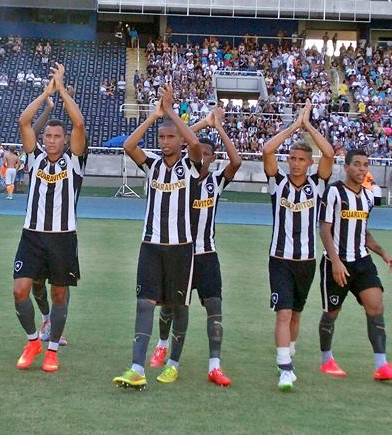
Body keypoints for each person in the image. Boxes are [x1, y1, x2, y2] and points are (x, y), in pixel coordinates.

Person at [112, 85, 203, 390]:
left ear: (178, 138)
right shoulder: (151, 165)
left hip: (181, 248)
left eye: (170, 137)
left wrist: (172, 112)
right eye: (162, 138)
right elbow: (129, 144)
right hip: (150, 245)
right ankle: (137, 367)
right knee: (144, 304)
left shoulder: (190, 167)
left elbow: (195, 143)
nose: (165, 142)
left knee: (178, 307)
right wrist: (154, 116)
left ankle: (173, 364)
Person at [150, 107, 242, 387]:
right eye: (198, 151)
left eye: (207, 154)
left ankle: (215, 365)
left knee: (214, 307)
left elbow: (236, 161)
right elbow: (184, 141)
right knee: (172, 309)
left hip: (207, 255)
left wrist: (219, 128)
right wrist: (200, 127)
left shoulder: (215, 182)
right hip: (180, 254)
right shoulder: (180, 177)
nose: (202, 156)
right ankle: (164, 345)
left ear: (212, 159)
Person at [12, 63, 86, 373]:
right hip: (32, 235)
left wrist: (64, 89)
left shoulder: (74, 162)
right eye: (49, 136)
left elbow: (79, 124)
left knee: (58, 293)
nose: (52, 140)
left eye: (58, 136)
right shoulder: (35, 158)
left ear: (65, 140)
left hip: (63, 237)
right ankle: (33, 341)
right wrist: (46, 93)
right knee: (20, 290)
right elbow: (24, 121)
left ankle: (52, 349)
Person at [261, 103, 335, 391]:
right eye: (291, 158)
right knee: (283, 312)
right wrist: (293, 126)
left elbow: (329, 154)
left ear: (309, 163)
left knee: (297, 314)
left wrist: (309, 126)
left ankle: (288, 351)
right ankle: (284, 368)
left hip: (306, 261)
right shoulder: (278, 183)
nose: (294, 163)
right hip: (279, 259)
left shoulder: (317, 185)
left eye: (301, 159)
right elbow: (268, 150)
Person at [318, 149, 392, 382]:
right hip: (337, 262)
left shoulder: (367, 197)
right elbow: (325, 229)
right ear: (346, 167)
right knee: (332, 312)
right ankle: (326, 359)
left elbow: (363, 232)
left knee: (376, 306)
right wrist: (335, 261)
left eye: (365, 165)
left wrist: (384, 253)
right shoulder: (334, 192)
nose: (361, 169)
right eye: (356, 164)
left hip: (362, 261)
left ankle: (381, 365)